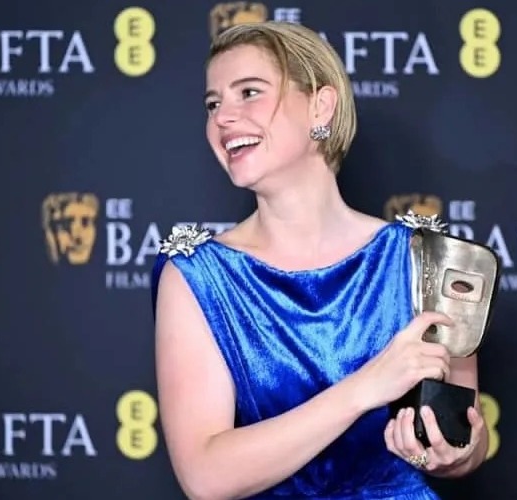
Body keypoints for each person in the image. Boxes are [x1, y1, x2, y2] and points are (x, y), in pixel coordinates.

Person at [151, 21, 488, 500]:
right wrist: (365, 388)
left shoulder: (424, 259)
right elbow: (205, 477)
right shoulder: (197, 276)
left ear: (321, 106)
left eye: (249, 92)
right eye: (212, 104)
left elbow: (465, 441)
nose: (223, 117)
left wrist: (455, 452)